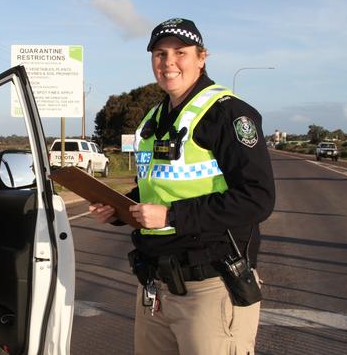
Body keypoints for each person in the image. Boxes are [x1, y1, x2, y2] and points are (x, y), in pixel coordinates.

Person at [89, 18, 275, 354]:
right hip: (156, 286)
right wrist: (119, 208)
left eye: (180, 52)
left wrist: (171, 216)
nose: (168, 62)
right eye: (160, 54)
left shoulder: (229, 114)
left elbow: (257, 198)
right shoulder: (154, 119)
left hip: (211, 286)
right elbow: (155, 189)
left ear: (202, 57)